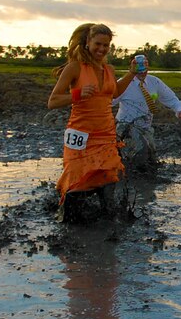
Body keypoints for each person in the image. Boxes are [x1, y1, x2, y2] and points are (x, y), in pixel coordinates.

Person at [47, 23, 137, 218]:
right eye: (98, 44)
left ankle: (106, 228)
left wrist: (131, 74)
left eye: (106, 45)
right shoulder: (75, 68)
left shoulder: (109, 69)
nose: (101, 49)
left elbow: (113, 94)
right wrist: (77, 94)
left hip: (105, 134)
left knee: (107, 178)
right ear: (87, 42)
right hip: (81, 134)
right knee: (76, 181)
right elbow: (53, 101)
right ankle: (67, 222)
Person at [112, 62, 181, 170]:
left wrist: (180, 110)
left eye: (145, 66)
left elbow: (170, 98)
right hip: (125, 126)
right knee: (141, 149)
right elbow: (108, 101)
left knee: (151, 154)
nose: (142, 71)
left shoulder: (154, 82)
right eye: (138, 67)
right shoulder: (123, 83)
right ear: (131, 68)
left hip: (145, 126)